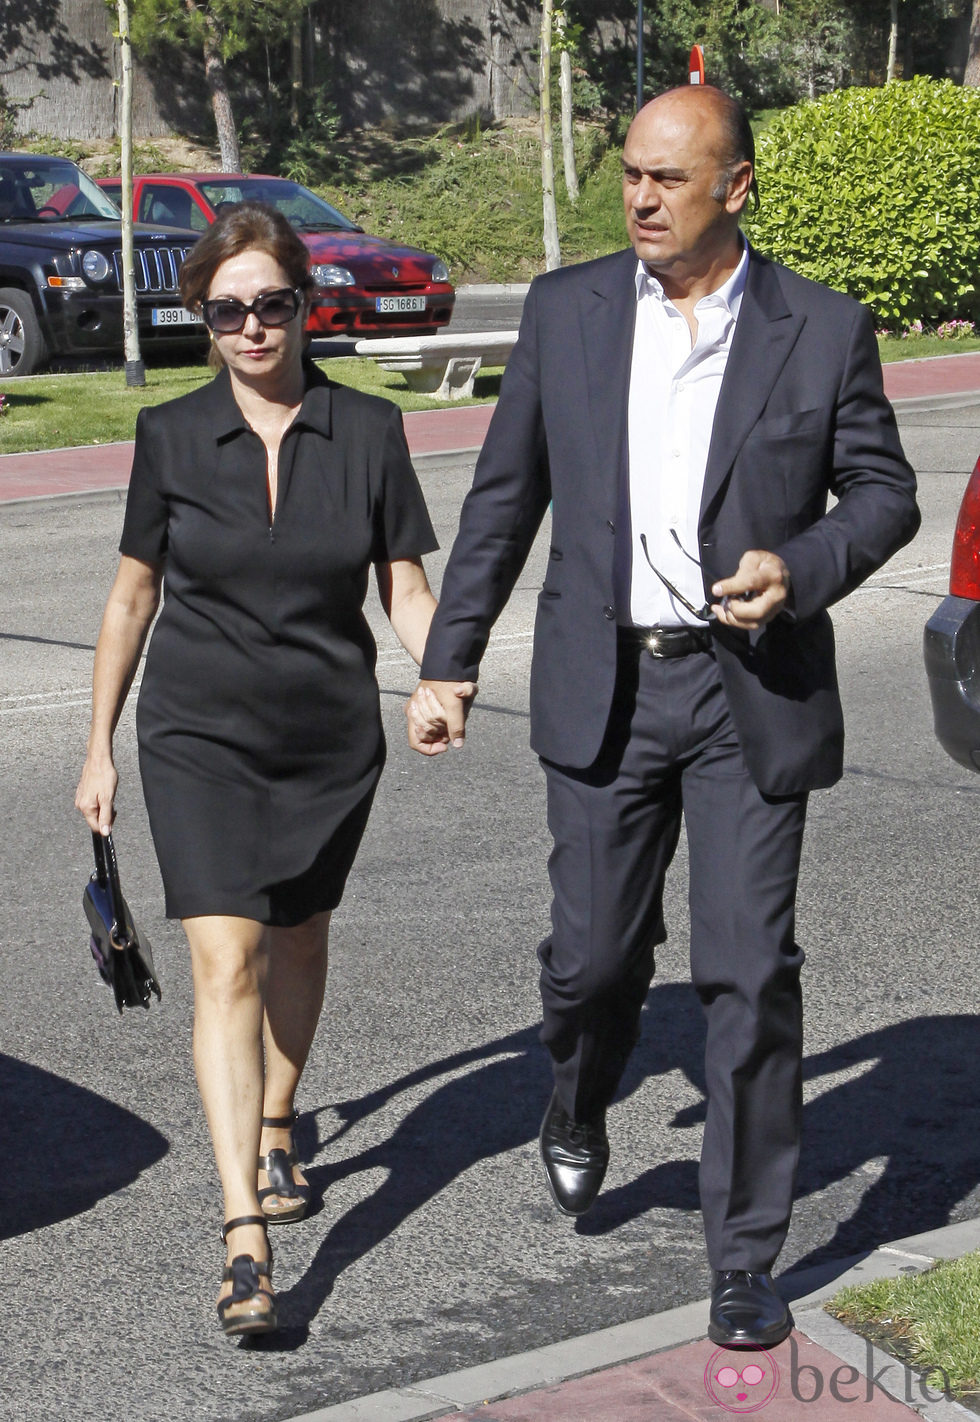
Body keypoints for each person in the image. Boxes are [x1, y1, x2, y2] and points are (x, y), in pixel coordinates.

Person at [405, 85, 920, 1348]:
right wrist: (448, 658)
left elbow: (883, 492)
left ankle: (743, 1255)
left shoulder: (819, 326)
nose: (637, 198)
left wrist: (800, 566)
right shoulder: (566, 311)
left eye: (666, 180)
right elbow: (502, 497)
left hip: (750, 690)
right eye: (629, 174)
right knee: (590, 962)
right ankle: (575, 1098)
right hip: (606, 683)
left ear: (733, 191)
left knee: (746, 973)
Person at [75, 202, 466, 1340]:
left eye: (273, 305)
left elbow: (403, 586)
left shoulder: (370, 431)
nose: (253, 327)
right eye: (228, 310)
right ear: (204, 318)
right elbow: (131, 597)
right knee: (223, 959)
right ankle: (243, 1236)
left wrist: (440, 676)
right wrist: (97, 746)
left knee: (297, 932)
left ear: (305, 306)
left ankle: (280, 1119)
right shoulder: (170, 436)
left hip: (326, 736)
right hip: (195, 735)